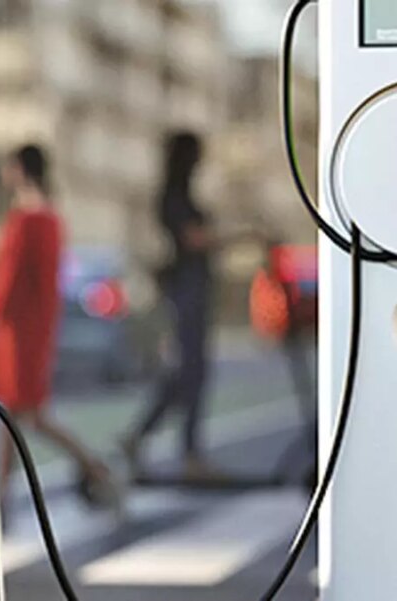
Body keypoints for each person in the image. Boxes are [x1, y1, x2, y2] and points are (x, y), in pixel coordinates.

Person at [0, 144, 116, 510]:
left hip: (17, 330)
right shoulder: (49, 218)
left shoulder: (27, 220)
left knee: (26, 413)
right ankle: (1, 494)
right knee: (16, 414)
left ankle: (93, 468)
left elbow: (8, 281)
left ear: (19, 169)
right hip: (32, 328)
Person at [122, 131, 228, 479]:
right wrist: (236, 237)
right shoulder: (174, 197)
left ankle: (142, 439)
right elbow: (192, 239)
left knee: (188, 374)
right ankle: (186, 452)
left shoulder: (180, 195)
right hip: (186, 289)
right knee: (191, 372)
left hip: (190, 287)